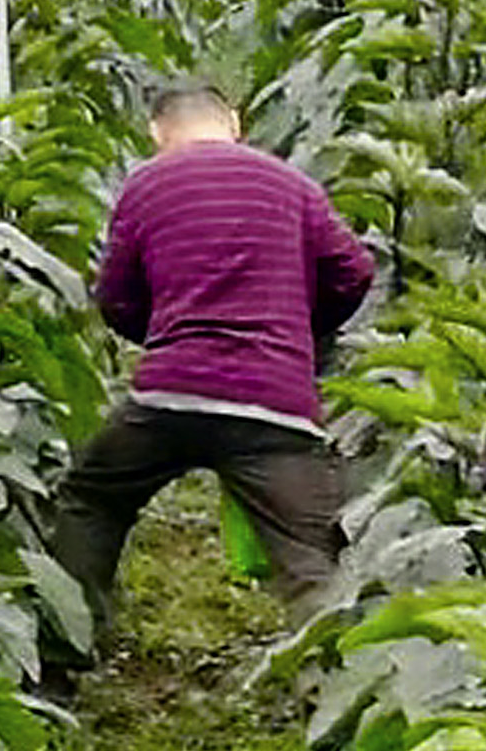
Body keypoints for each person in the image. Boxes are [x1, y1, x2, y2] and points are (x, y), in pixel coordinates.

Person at [47, 84, 376, 647]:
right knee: (309, 561)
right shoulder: (291, 184)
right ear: (236, 122)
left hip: (171, 395)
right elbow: (355, 271)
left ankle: (66, 655)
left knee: (92, 499)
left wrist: (163, 333)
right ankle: (333, 695)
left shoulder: (146, 184)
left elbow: (115, 297)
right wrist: (301, 330)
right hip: (275, 403)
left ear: (156, 132)